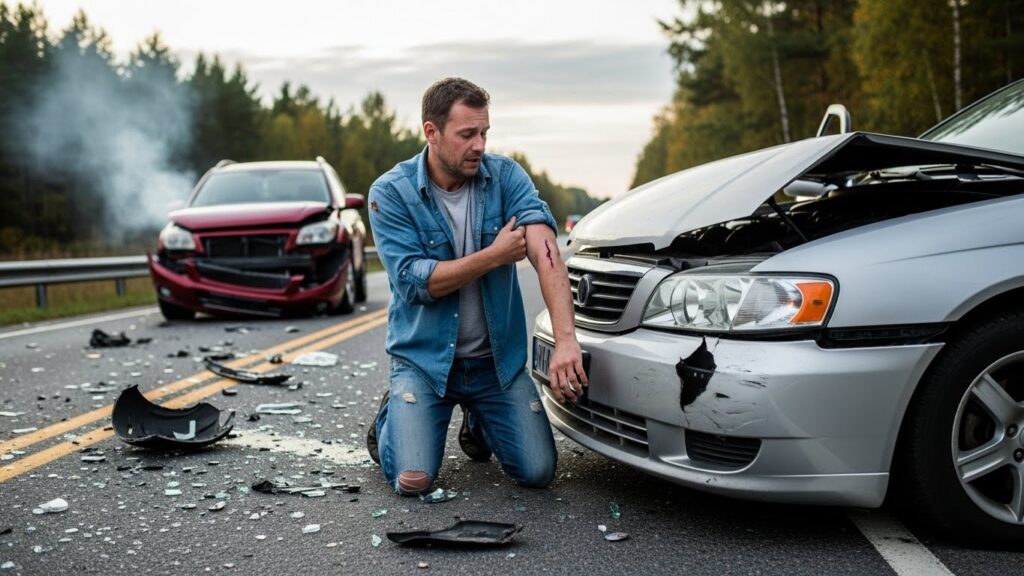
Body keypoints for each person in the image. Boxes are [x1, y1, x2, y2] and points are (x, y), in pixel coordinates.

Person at [365, 77, 587, 495]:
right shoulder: (390, 193)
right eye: (467, 134)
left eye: (484, 132)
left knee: (537, 471)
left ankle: (479, 417)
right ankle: (394, 414)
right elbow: (416, 283)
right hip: (424, 362)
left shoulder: (505, 178)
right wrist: (493, 256)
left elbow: (546, 253)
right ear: (431, 132)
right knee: (414, 482)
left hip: (493, 365)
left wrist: (566, 341)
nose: (480, 145)